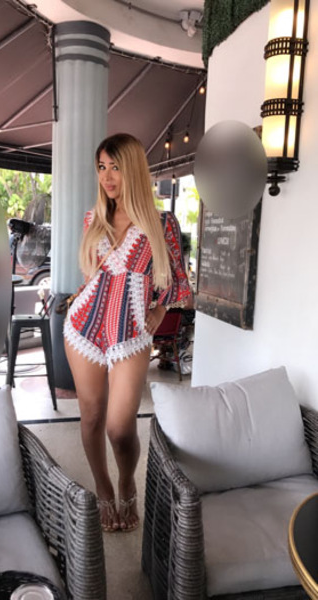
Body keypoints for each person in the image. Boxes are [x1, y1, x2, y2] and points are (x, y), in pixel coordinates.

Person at [64, 133, 192, 532]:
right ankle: (103, 489)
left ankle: (126, 482)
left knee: (120, 428)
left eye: (115, 167)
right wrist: (80, 295)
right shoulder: (93, 219)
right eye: (101, 167)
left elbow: (178, 281)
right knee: (91, 417)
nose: (106, 176)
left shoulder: (162, 223)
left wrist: (160, 308)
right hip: (84, 327)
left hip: (132, 332)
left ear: (133, 169)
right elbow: (92, 276)